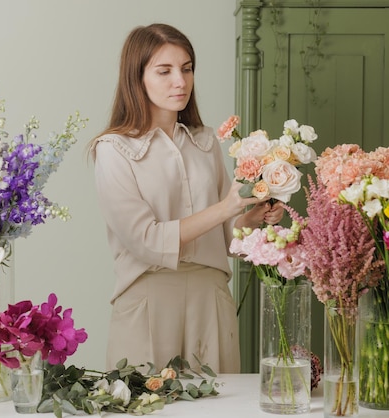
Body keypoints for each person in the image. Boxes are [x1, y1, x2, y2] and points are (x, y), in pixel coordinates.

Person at [87, 23, 284, 373]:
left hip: (210, 298)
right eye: (164, 71)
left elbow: (224, 235)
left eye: (187, 68)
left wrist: (247, 221)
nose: (180, 81)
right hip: (147, 299)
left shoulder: (205, 142)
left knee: (219, 406)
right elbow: (146, 240)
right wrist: (225, 208)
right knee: (142, 406)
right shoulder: (113, 150)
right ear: (137, 78)